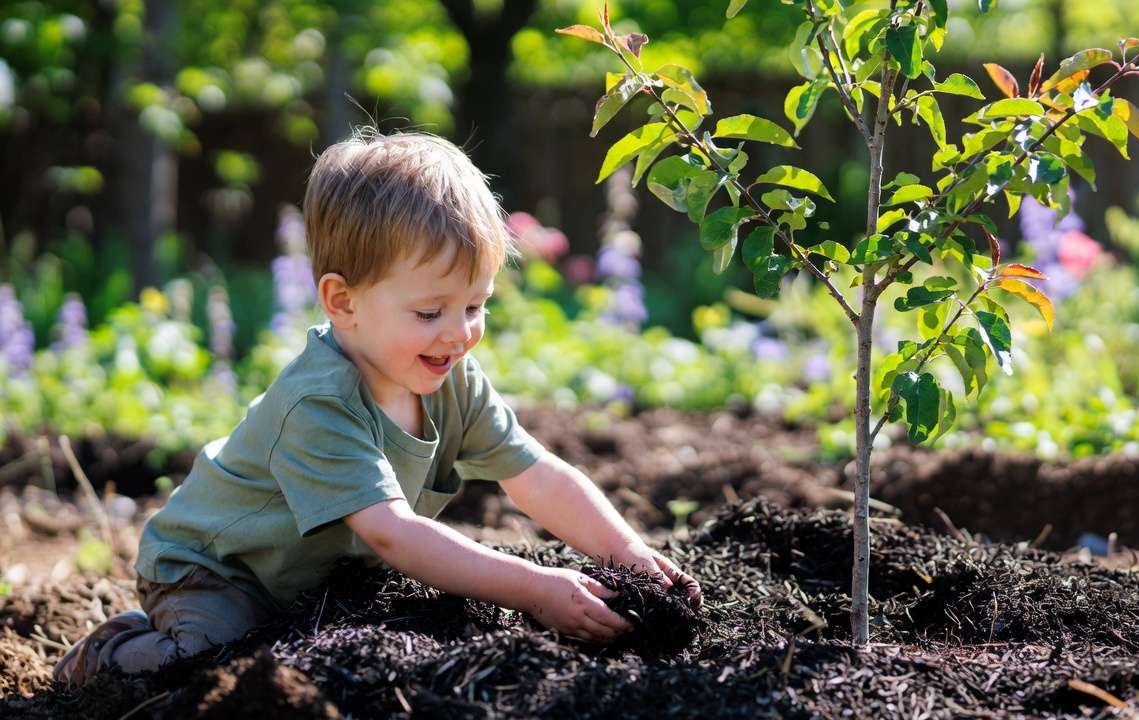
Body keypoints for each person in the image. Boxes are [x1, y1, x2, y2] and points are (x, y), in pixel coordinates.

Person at [54, 128, 702, 688]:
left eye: (475, 306)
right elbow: (395, 534)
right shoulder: (319, 405)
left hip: (311, 578)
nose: (459, 333)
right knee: (212, 659)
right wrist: (536, 588)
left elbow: (538, 477)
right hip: (221, 573)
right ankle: (109, 653)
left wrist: (628, 554)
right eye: (430, 312)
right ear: (341, 301)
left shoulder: (453, 381)